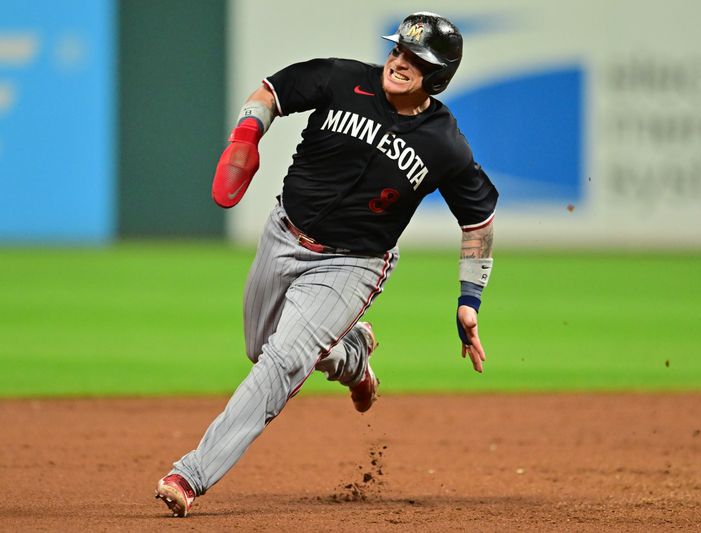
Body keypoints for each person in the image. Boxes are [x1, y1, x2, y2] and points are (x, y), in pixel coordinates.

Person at [155, 12, 498, 517]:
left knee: (284, 360)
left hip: (353, 263)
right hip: (283, 233)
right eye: (399, 50)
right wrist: (247, 133)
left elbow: (479, 219)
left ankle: (190, 474)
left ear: (438, 76)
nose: (400, 61)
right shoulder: (341, 78)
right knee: (261, 349)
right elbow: (272, 92)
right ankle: (352, 353)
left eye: (416, 59)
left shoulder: (444, 144)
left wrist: (470, 300)